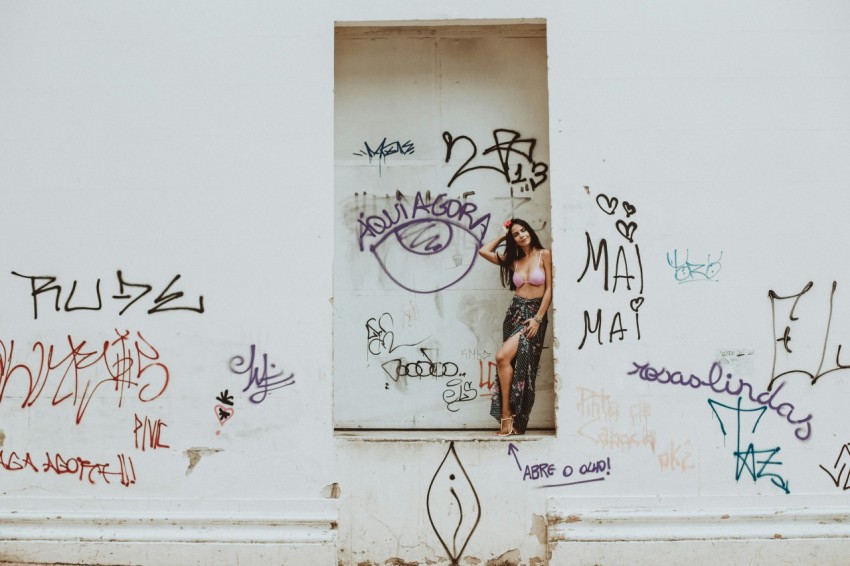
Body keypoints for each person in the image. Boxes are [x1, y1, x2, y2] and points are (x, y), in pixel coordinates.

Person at [478, 218, 552, 436]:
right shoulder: (514, 261)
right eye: (516, 234)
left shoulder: (544, 254)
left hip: (534, 316)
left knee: (510, 361)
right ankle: (508, 417)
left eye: (523, 230)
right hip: (515, 315)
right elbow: (483, 251)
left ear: (529, 231)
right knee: (507, 362)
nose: (522, 235)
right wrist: (503, 234)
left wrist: (538, 319)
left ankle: (508, 416)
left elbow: (549, 290)